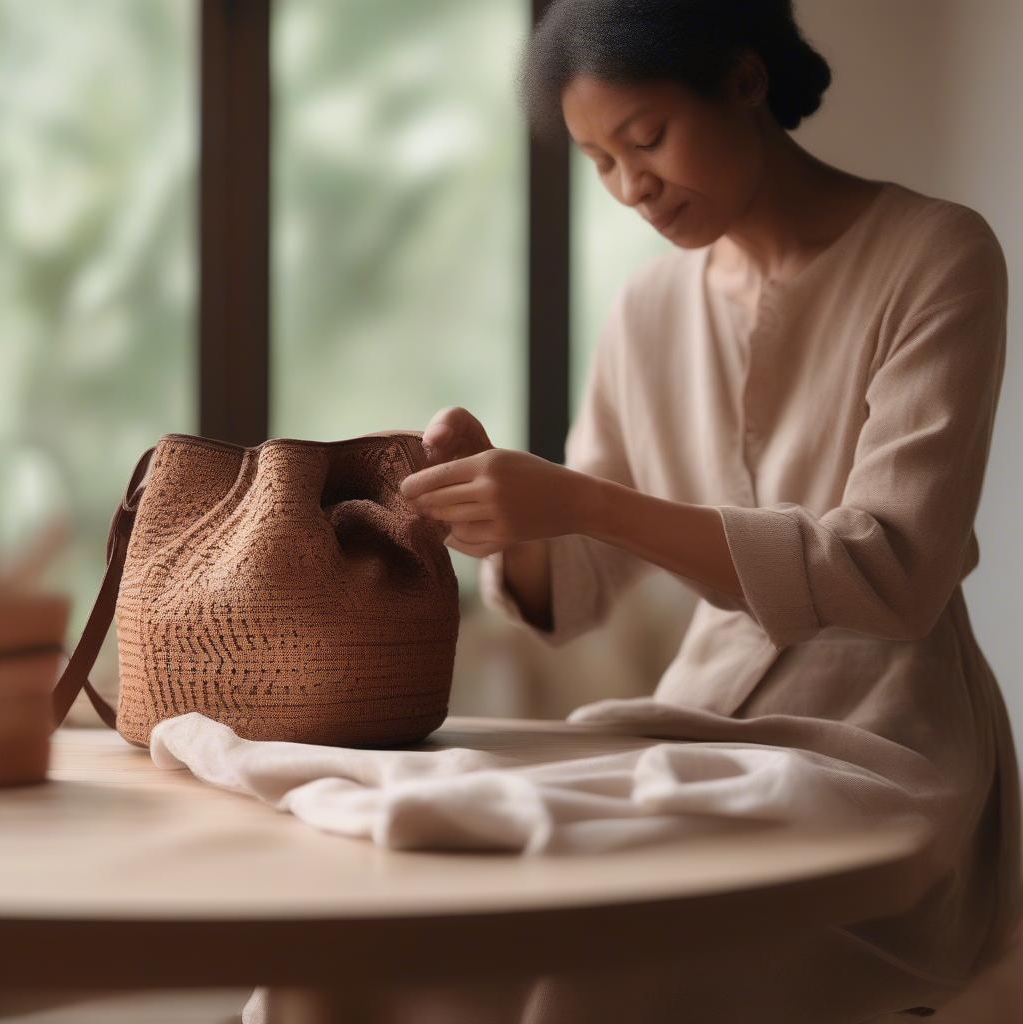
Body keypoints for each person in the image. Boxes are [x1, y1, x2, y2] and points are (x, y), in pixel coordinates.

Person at [398, 1, 1021, 1021]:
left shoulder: (935, 254)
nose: (631, 188)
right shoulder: (648, 307)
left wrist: (580, 498)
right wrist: (504, 513)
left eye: (645, 138)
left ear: (743, 80)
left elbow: (892, 572)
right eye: (600, 160)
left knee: (597, 970)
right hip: (689, 728)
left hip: (882, 749)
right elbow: (582, 587)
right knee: (399, 925)